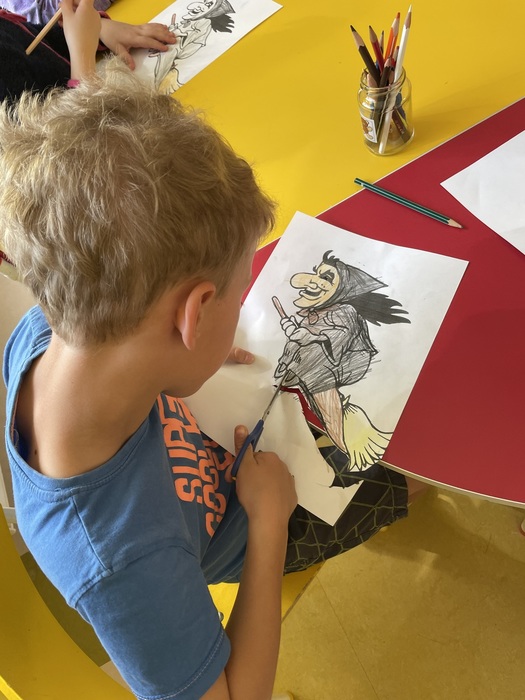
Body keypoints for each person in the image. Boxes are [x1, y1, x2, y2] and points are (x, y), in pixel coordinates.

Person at [1, 2, 419, 697]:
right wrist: (268, 525)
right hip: (258, 522)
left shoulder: (52, 327)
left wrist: (175, 359)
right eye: (238, 294)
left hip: (230, 448)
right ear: (193, 314)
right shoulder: (118, 561)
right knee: (405, 462)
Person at [0, 0, 176, 102]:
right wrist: (82, 59)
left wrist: (99, 30)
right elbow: (65, 142)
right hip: (93, 138)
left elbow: (38, 43)